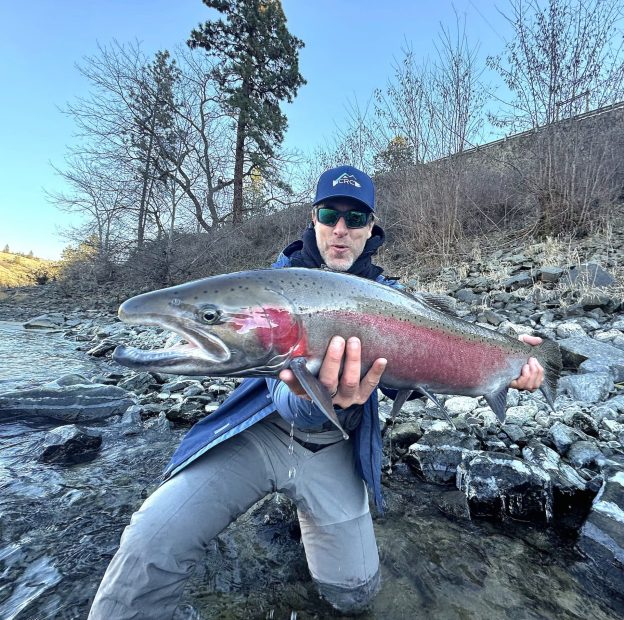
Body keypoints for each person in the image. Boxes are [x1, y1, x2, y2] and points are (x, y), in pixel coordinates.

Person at [89, 165, 544, 618]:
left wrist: (506, 364)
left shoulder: (396, 300)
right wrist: (304, 393)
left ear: (372, 227)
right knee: (149, 543)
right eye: (329, 215)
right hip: (256, 436)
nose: (340, 229)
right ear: (313, 219)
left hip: (335, 450)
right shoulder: (270, 283)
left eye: (356, 218)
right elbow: (275, 382)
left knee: (355, 596)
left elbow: (424, 378)